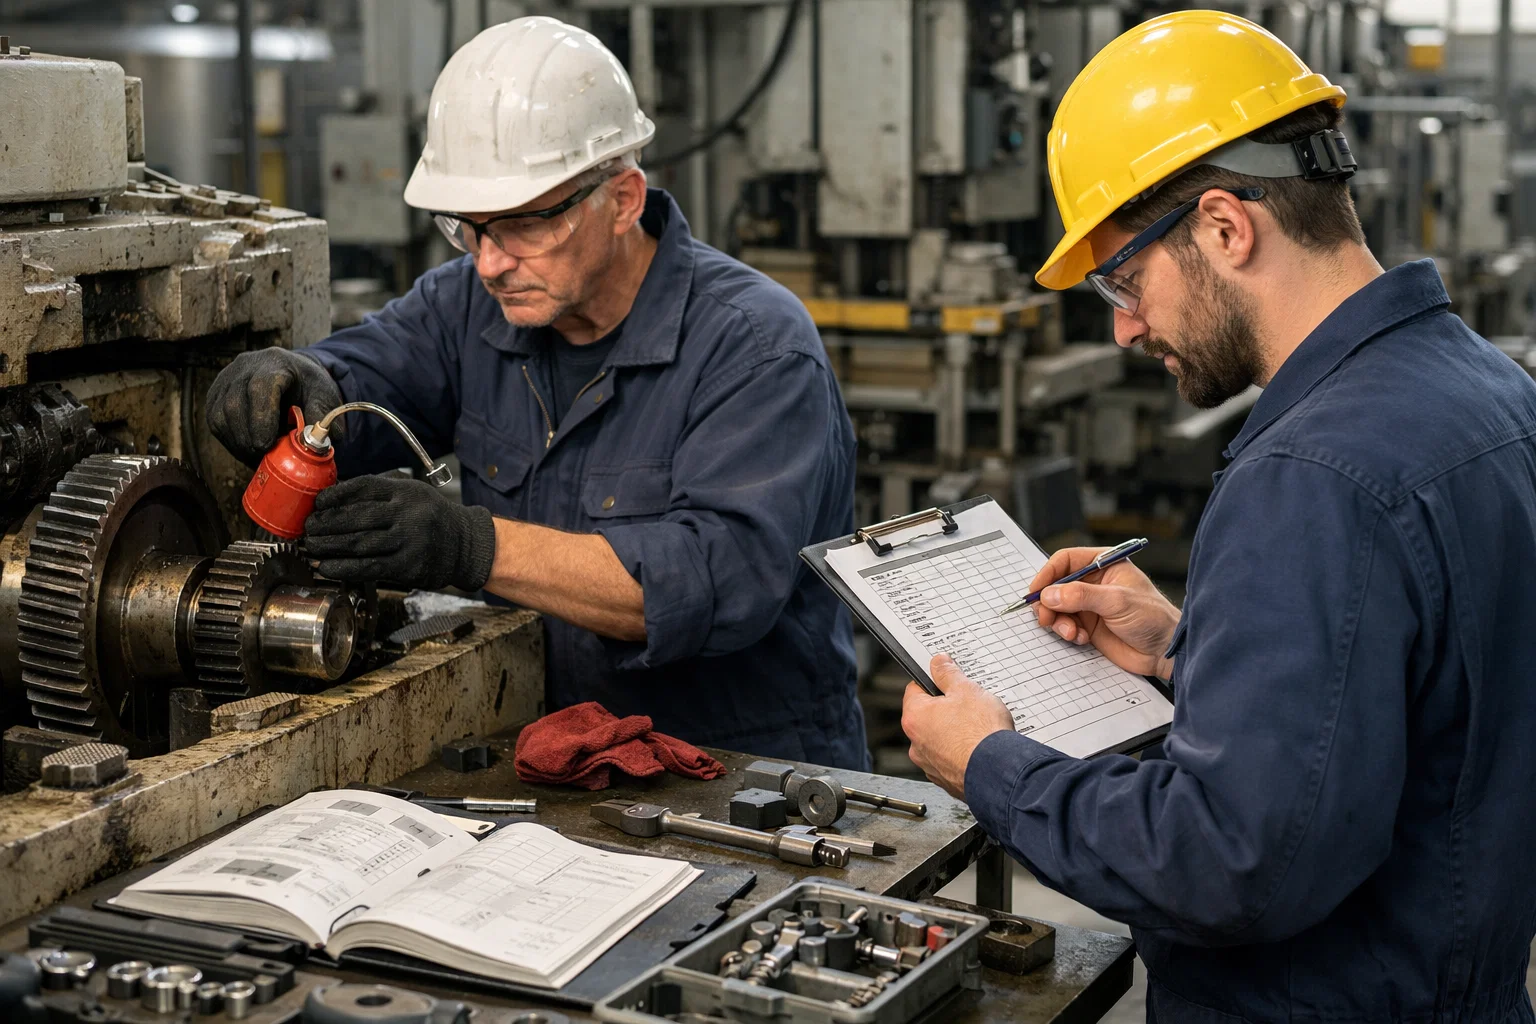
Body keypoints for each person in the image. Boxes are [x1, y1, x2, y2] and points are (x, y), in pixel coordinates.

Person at [901, 11, 1536, 1021]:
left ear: (1225, 227)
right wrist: (1183, 650)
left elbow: (1230, 861)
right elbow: (1422, 709)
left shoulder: (1311, 474)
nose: (1123, 324)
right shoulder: (1488, 393)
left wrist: (991, 766)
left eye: (1124, 277)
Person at [207, 17, 867, 769]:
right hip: (548, 761)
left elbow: (711, 580)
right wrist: (296, 383)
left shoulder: (755, 348)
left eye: (521, 225)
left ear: (621, 200)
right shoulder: (469, 303)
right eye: (466, 227)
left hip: (741, 775)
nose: (489, 262)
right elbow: (368, 379)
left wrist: (468, 545)